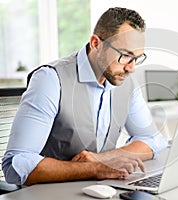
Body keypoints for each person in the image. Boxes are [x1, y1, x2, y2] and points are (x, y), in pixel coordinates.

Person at [2, 7, 168, 186]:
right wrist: (96, 168)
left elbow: (153, 139)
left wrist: (103, 158)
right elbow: (15, 164)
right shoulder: (50, 79)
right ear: (96, 43)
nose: (131, 68)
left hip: (102, 190)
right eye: (125, 55)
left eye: (137, 58)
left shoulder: (125, 82)